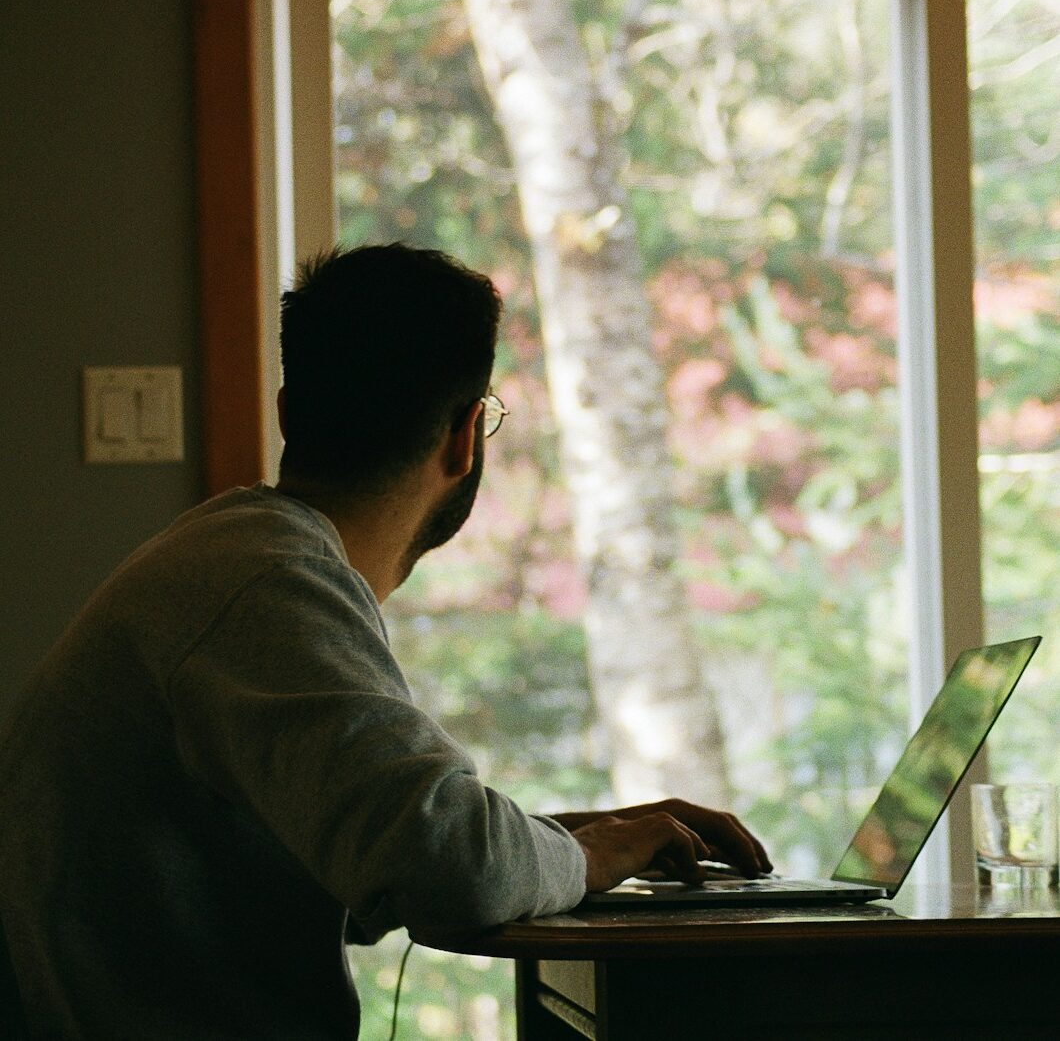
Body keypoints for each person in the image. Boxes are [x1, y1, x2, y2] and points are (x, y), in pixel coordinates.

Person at [0, 243, 771, 1038]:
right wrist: (584, 859)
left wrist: (576, 840)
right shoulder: (266, 582)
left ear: (288, 414)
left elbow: (377, 847)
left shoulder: (227, 561)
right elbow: (450, 869)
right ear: (467, 436)